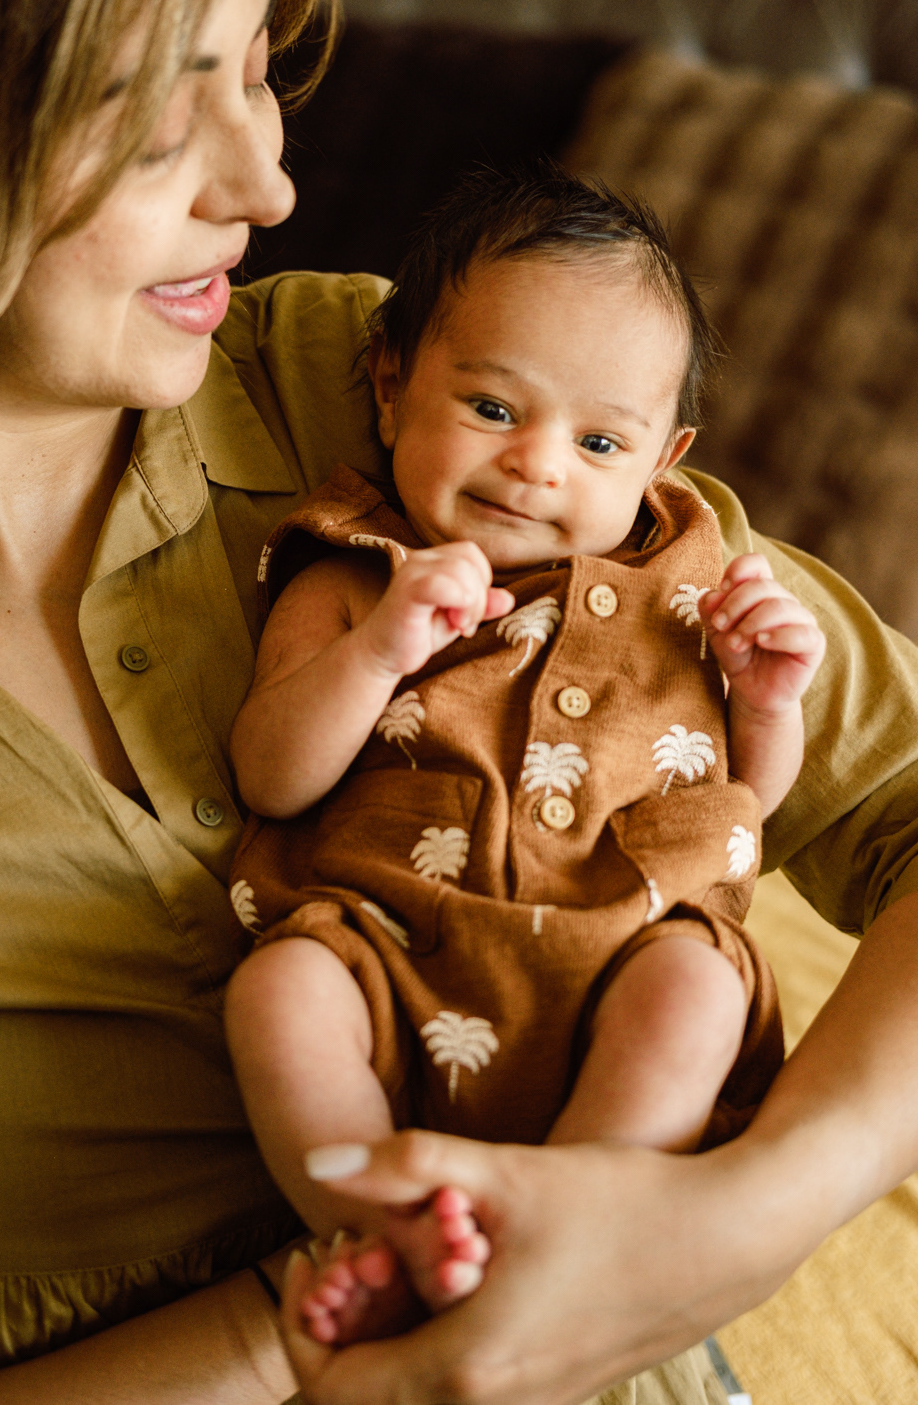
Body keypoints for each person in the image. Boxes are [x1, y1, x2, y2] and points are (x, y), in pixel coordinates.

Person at [0, 0, 918, 1403]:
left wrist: (743, 1217)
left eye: (262, 66)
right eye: (149, 109)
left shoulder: (369, 392)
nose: (265, 187)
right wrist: (297, 1341)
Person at [224, 165, 822, 1346]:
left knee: (700, 985)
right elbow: (271, 776)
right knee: (275, 994)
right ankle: (375, 1234)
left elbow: (746, 804)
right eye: (494, 410)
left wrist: (767, 704)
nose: (540, 465)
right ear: (392, 389)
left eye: (601, 441)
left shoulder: (686, 594)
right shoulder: (349, 565)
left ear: (662, 461)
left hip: (621, 951)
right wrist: (385, 645)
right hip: (391, 954)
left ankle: (577, 1219)